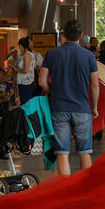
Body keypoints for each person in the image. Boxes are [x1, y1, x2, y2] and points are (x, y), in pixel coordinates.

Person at [40, 19, 100, 176]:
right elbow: (95, 85)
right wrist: (94, 107)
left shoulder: (52, 53)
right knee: (84, 152)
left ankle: (65, 190)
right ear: (80, 36)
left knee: (62, 153)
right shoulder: (88, 56)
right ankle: (85, 190)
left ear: (64, 34)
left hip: (58, 108)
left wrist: (52, 91)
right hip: (82, 108)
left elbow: (41, 81)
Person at [13, 38, 39, 104]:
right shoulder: (24, 55)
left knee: (26, 104)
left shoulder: (27, 55)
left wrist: (16, 69)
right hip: (24, 83)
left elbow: (26, 70)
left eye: (19, 46)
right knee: (25, 103)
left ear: (22, 45)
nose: (19, 48)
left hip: (26, 83)